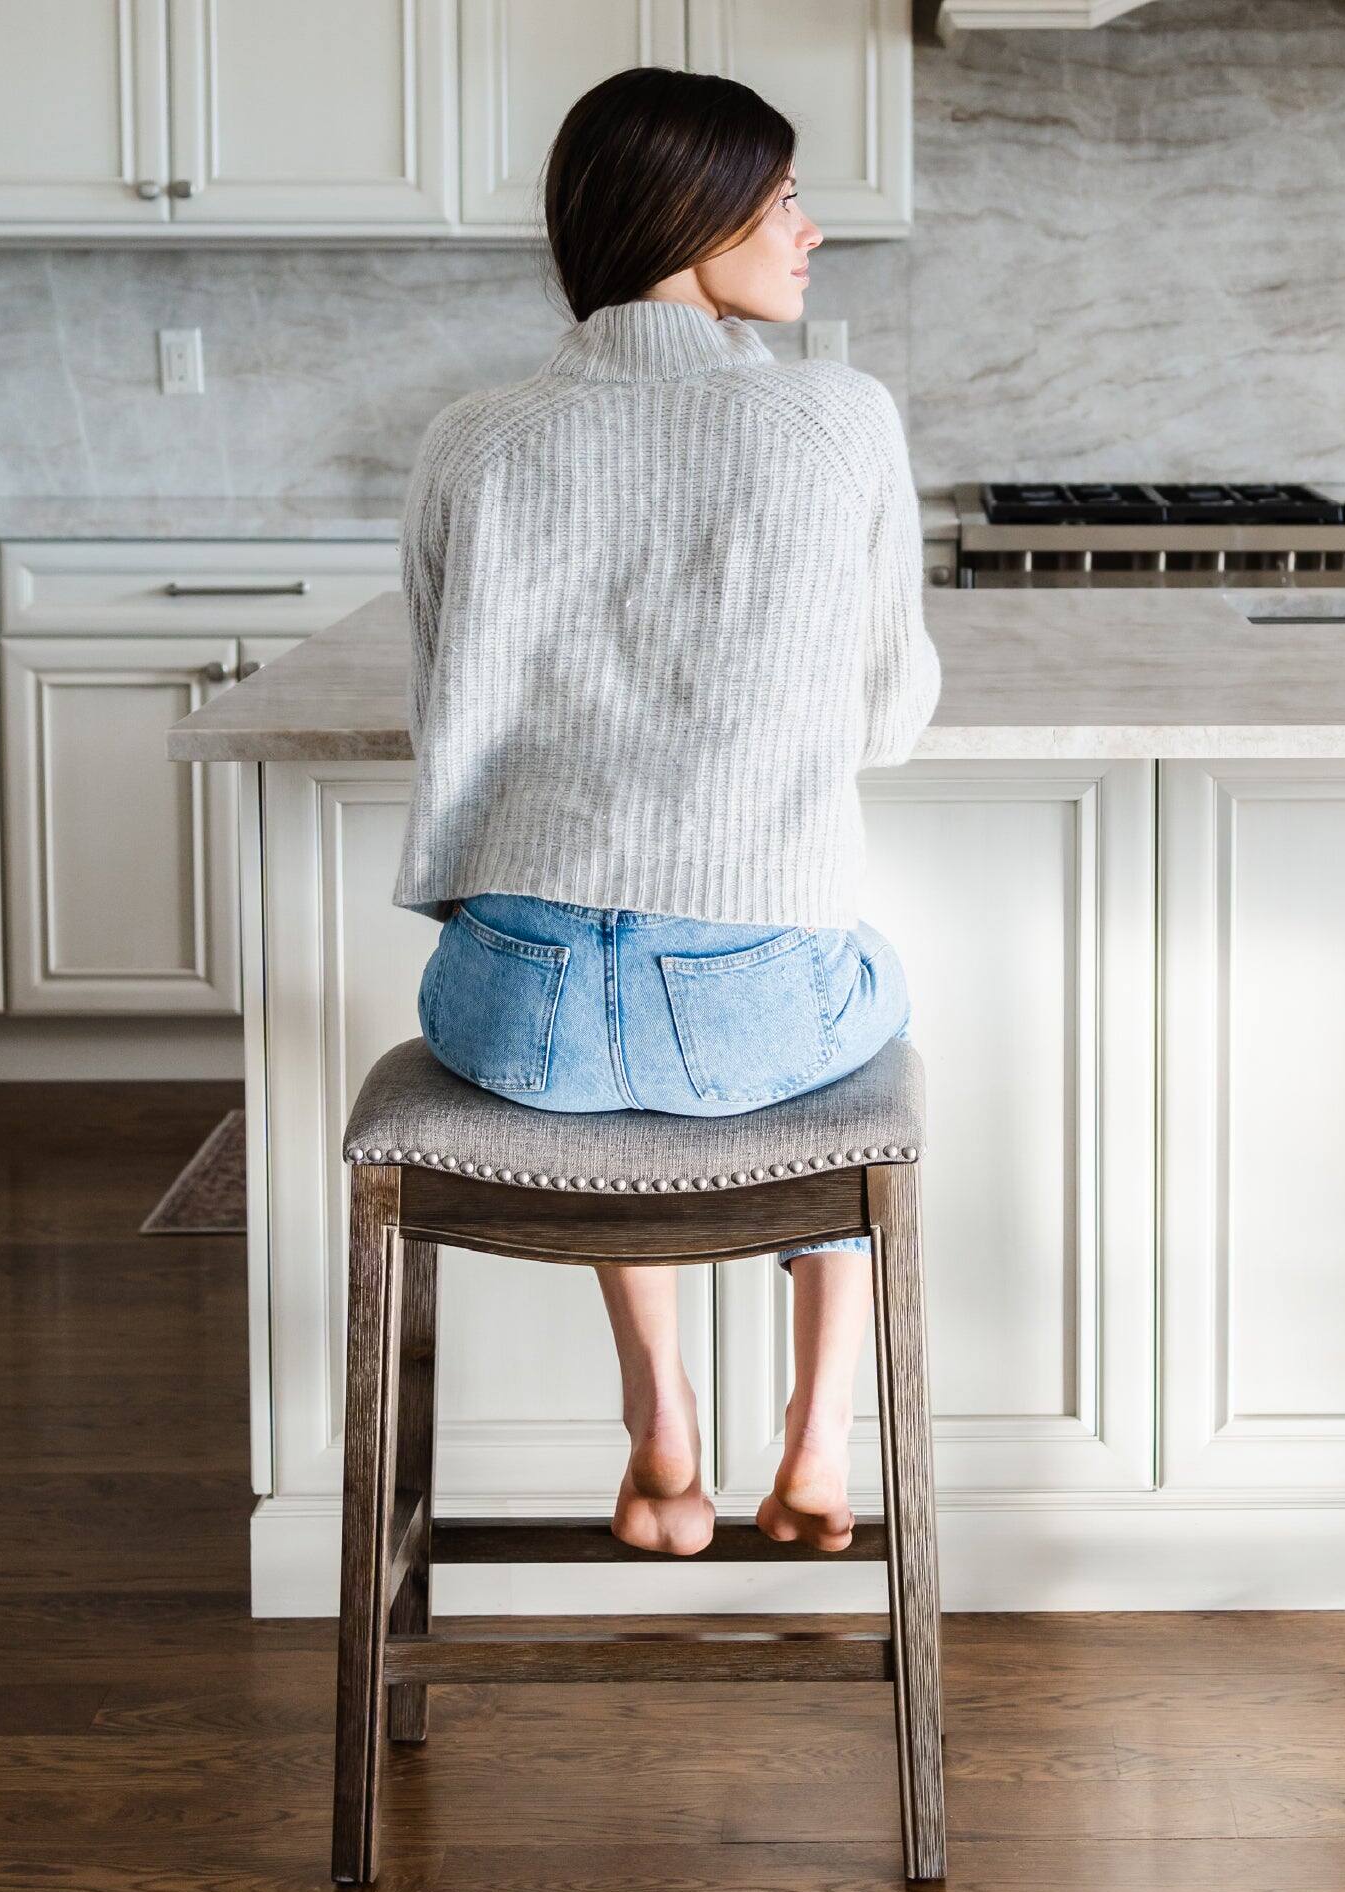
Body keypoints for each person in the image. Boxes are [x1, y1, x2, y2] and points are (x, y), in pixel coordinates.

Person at [392, 65, 940, 1560]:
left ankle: (663, 1432)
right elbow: (886, 718)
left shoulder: (473, 439)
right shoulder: (838, 422)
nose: (810, 230)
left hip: (511, 1013)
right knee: (856, 1006)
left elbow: (447, 712)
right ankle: (816, 1446)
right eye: (779, 201)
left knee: (616, 1037)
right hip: (747, 1017)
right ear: (685, 219)